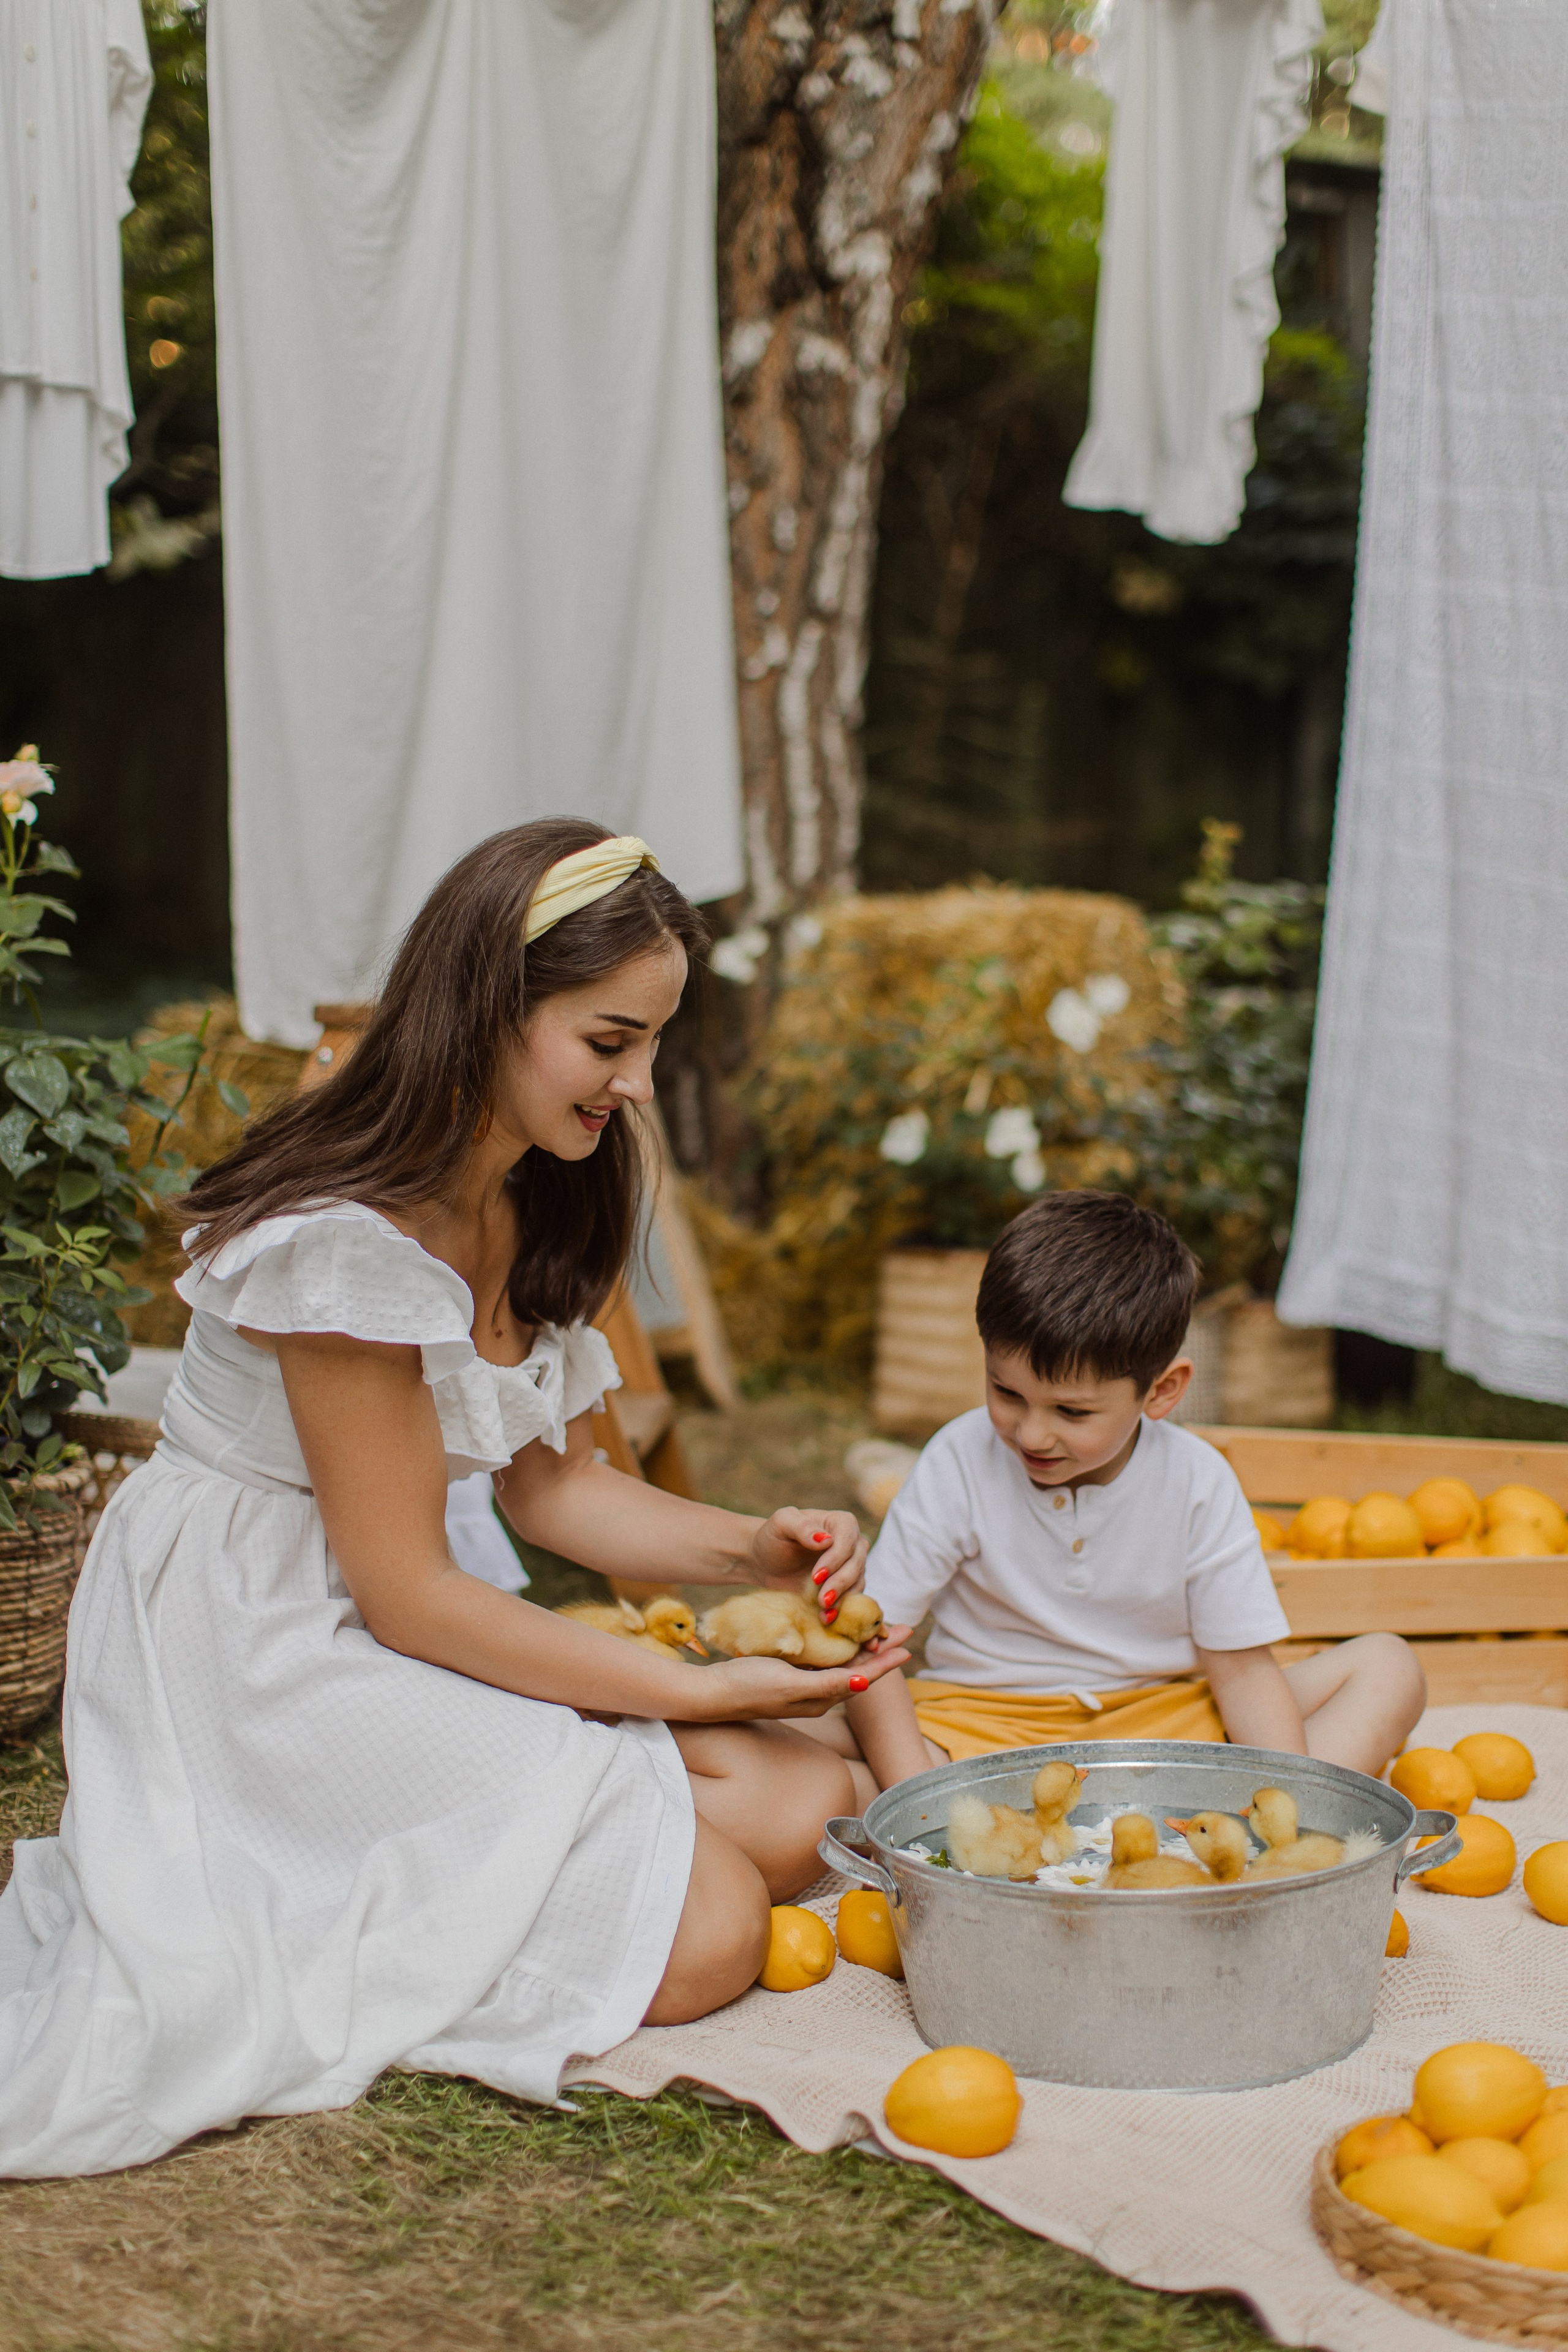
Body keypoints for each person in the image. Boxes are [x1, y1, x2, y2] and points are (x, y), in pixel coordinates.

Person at [0, 820, 909, 2179]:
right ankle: (301, 1893)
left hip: (381, 1610)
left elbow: (552, 1489)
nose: (641, 1085)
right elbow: (408, 1592)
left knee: (799, 1817)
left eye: (650, 1045)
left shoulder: (536, 1190)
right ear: (490, 1004)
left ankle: (476, 1855)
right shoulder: (345, 1244)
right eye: (609, 1043)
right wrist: (690, 1692)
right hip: (257, 1644)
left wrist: (752, 1551)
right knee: (717, 1926)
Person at [807, 1191, 1425, 1802]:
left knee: (1387, 1668)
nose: (1031, 1432)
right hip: (980, 1726)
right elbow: (873, 1639)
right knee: (792, 1721)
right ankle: (944, 1803)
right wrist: (916, 1790)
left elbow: (1240, 1671)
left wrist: (1281, 1799)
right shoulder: (959, 1459)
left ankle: (1247, 1822)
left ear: (1161, 1392)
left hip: (1165, 1725)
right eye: (1006, 1392)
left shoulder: (1197, 1482)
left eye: (1071, 1411)